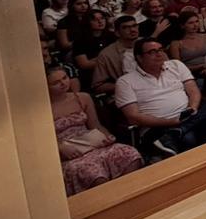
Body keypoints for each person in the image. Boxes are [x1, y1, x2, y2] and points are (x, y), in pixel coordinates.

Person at [116, 38, 206, 156]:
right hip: (157, 126)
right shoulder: (125, 82)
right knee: (190, 138)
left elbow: (193, 91)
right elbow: (134, 117)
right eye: (152, 52)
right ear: (139, 57)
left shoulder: (175, 65)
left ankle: (177, 131)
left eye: (161, 50)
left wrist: (192, 108)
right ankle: (179, 134)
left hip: (188, 116)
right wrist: (171, 122)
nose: (159, 54)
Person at [48, 65, 142, 194]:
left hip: (90, 142)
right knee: (91, 172)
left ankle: (128, 192)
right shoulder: (42, 109)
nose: (63, 84)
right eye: (56, 83)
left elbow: (96, 125)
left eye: (64, 78)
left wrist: (107, 137)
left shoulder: (82, 97)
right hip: (68, 152)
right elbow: (43, 141)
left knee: (128, 153)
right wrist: (59, 147)